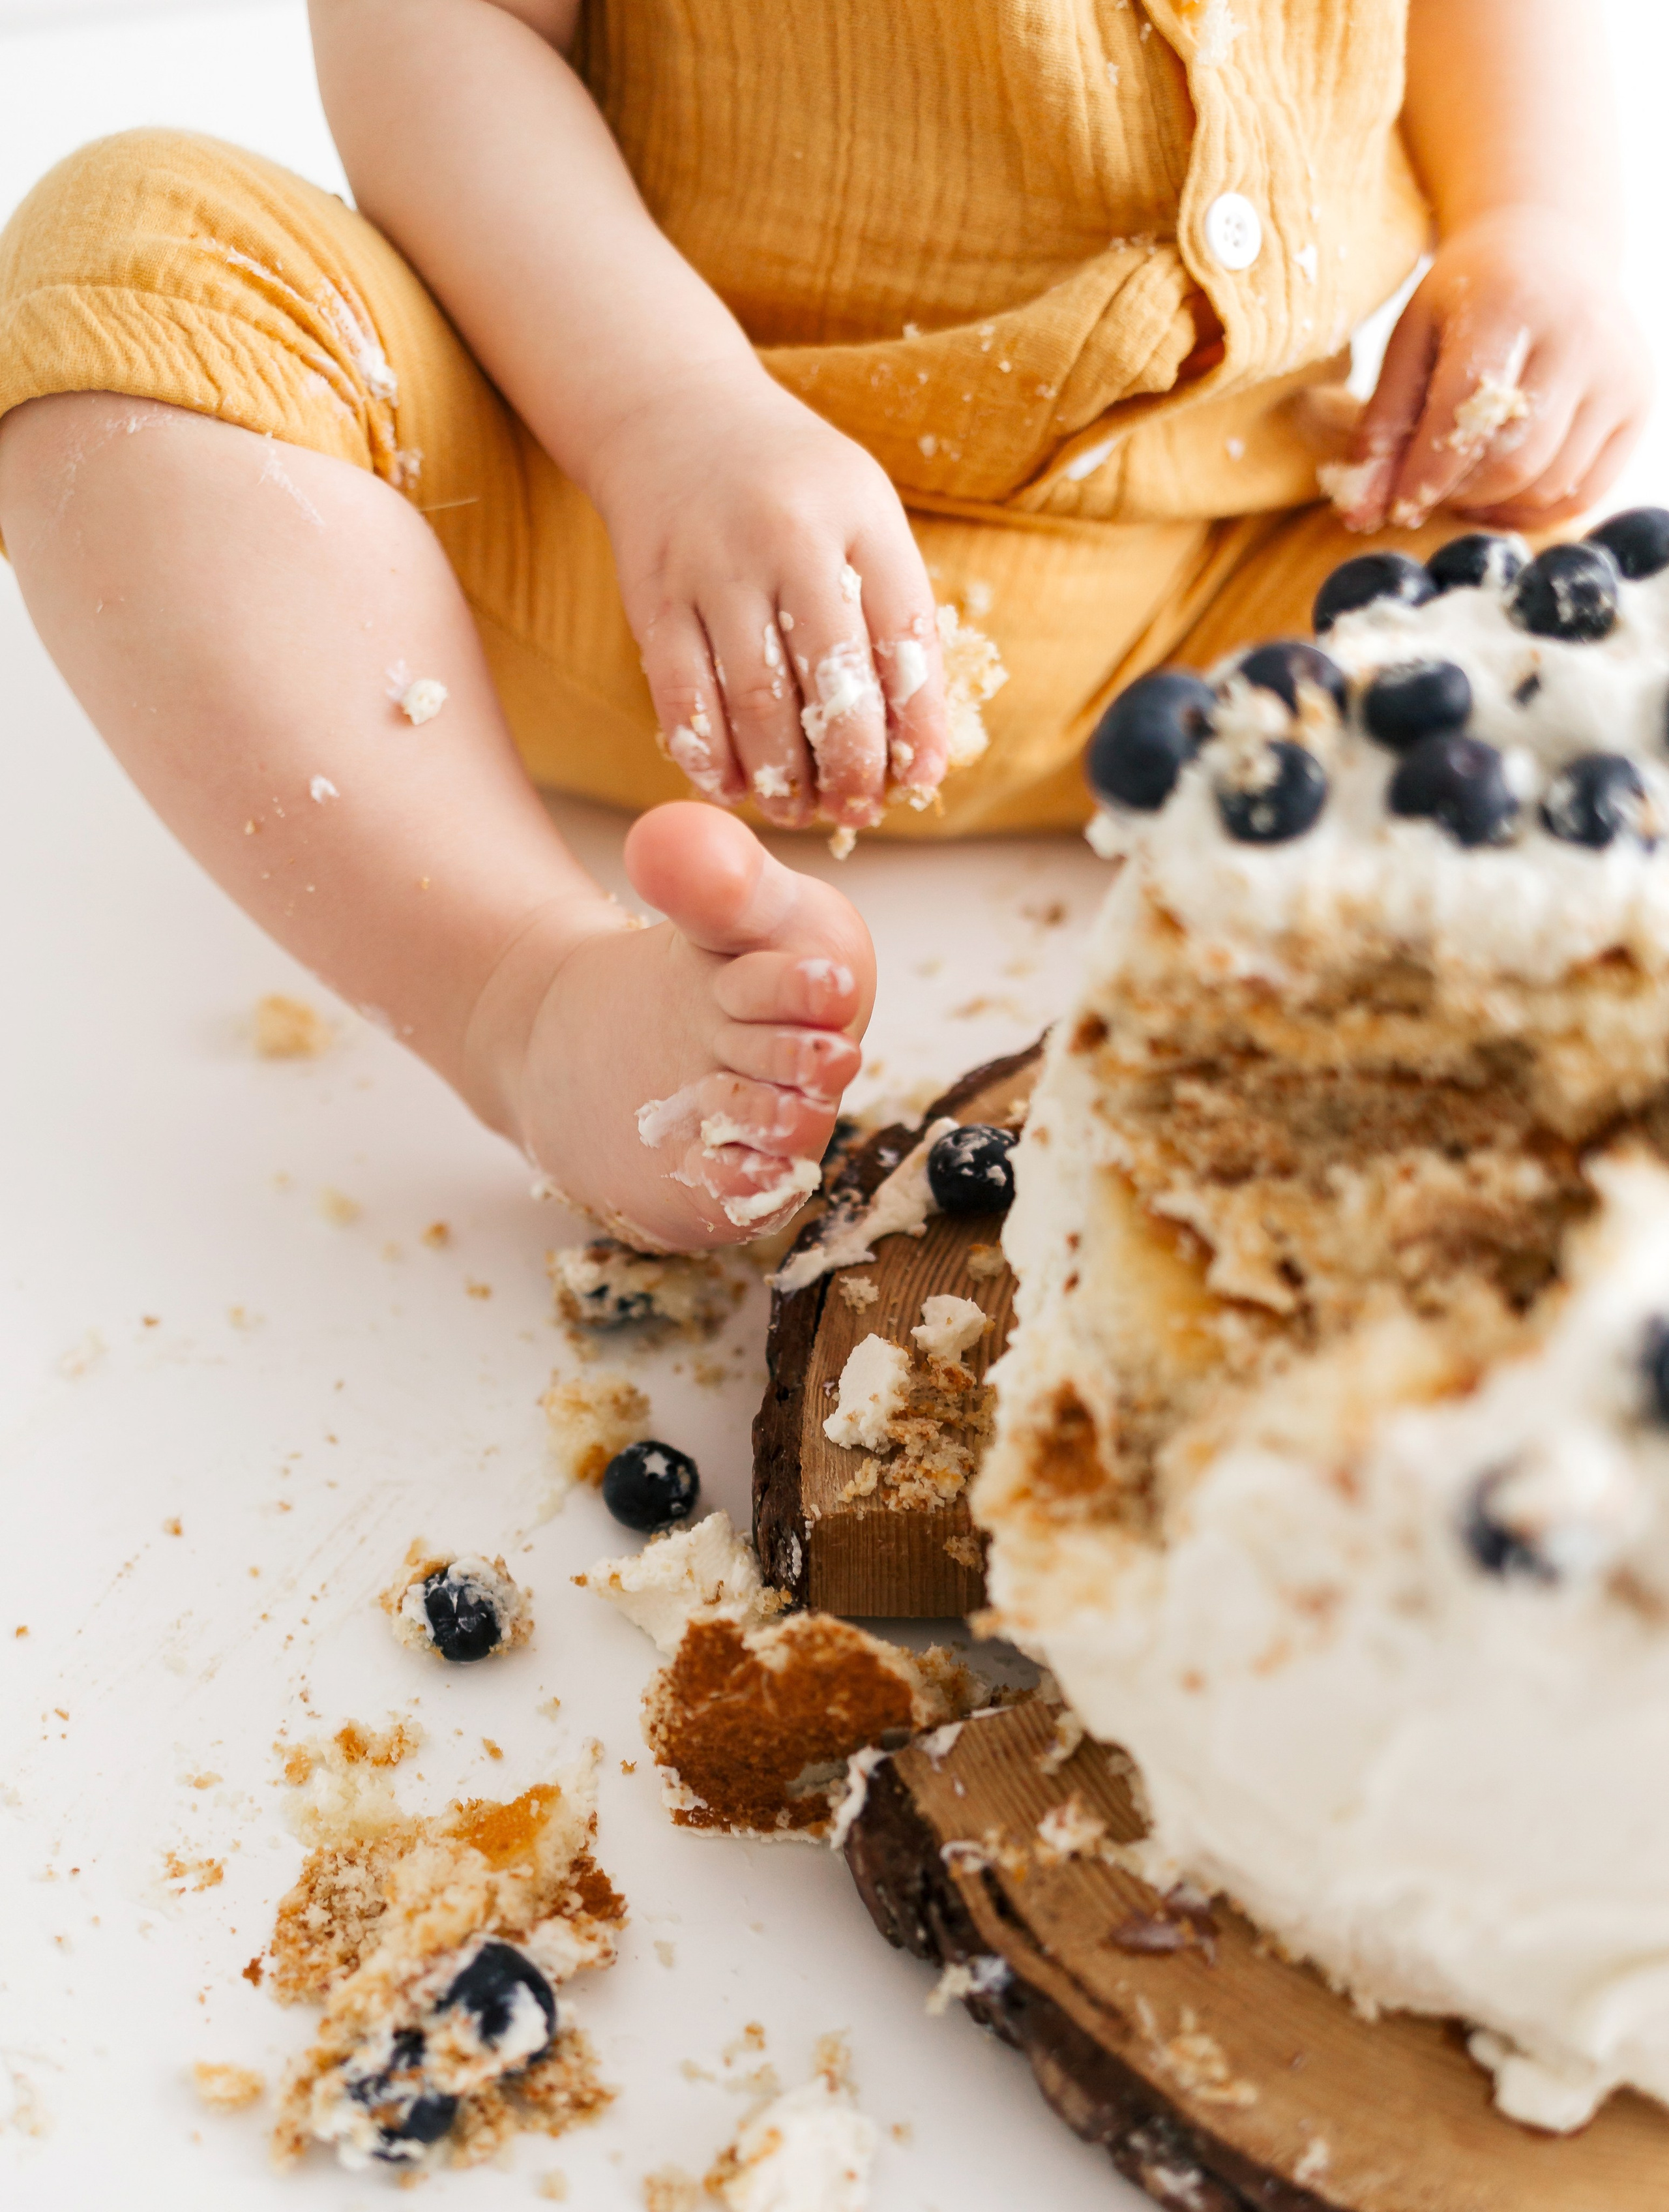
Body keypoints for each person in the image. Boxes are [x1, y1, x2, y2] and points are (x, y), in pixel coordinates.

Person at [0, 0, 1648, 1251]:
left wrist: (1538, 227)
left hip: (1244, 568)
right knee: (134, 265)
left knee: (1589, 610)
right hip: (630, 539)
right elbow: (445, 31)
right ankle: (517, 990)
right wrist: (668, 412)